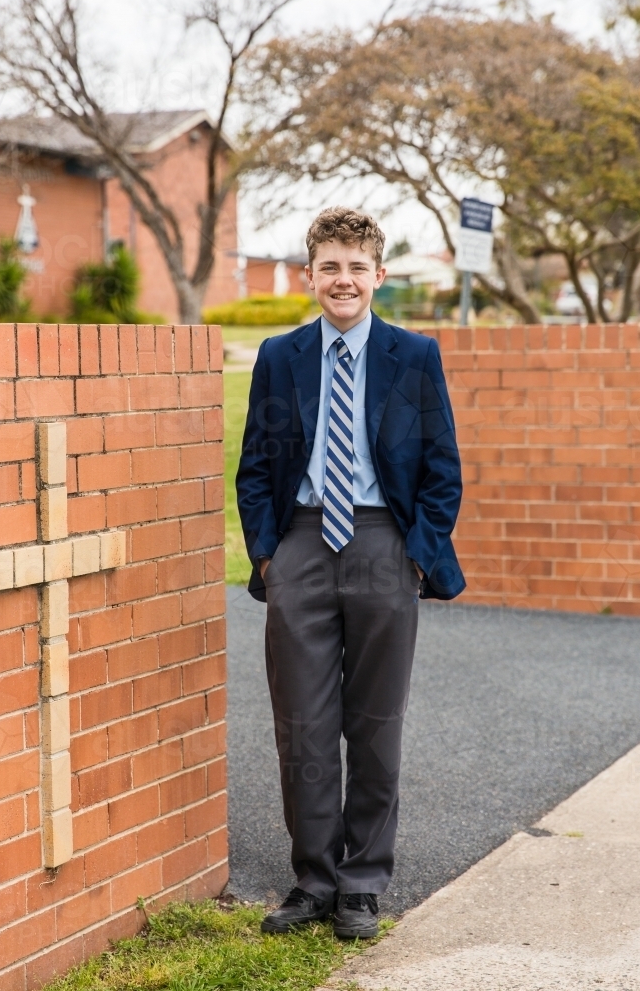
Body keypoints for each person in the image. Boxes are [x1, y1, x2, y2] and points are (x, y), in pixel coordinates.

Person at [237, 207, 465, 939]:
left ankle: (362, 884)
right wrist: (268, 555)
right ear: (310, 276)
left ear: (379, 276)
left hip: (379, 541)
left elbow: (441, 469)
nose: (343, 279)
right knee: (301, 726)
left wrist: (415, 554)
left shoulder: (415, 355)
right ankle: (313, 881)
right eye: (329, 266)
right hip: (301, 542)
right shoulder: (279, 356)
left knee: (373, 724)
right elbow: (253, 467)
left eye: (356, 267)